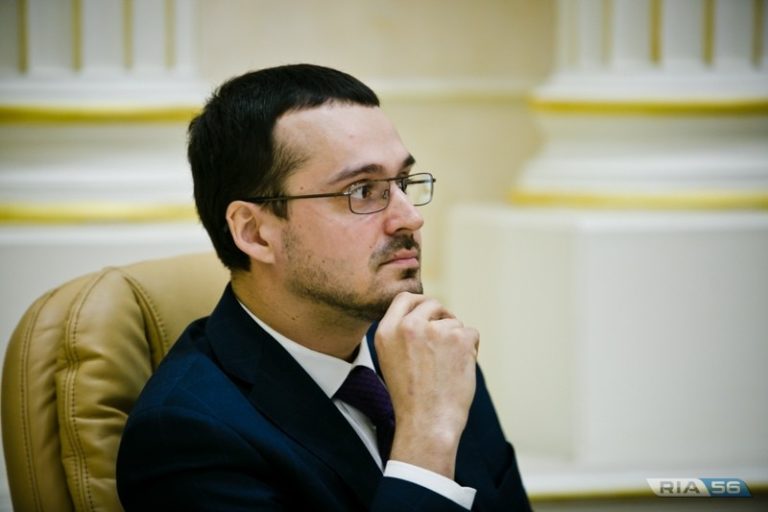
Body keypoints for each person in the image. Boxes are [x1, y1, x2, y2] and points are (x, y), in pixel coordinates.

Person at [116, 63, 531, 511]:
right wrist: (426, 438)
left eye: (402, 183)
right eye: (362, 190)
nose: (410, 218)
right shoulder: (186, 435)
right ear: (255, 233)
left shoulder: (429, 354)